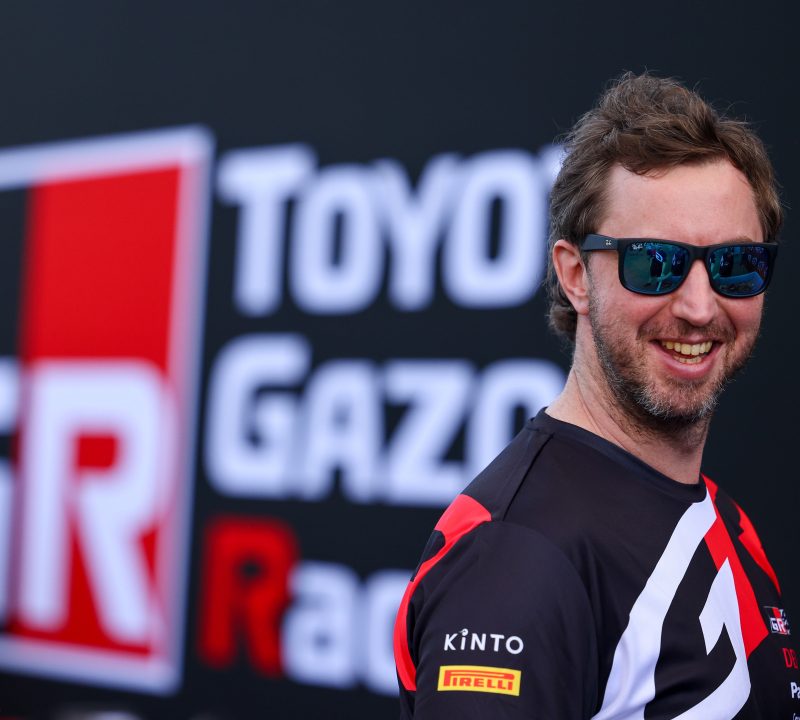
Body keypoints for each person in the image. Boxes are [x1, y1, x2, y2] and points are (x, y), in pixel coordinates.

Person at [393, 73, 798, 719]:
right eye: (654, 263)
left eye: (735, 265)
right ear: (575, 275)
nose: (700, 307)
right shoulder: (516, 556)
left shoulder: (729, 524)